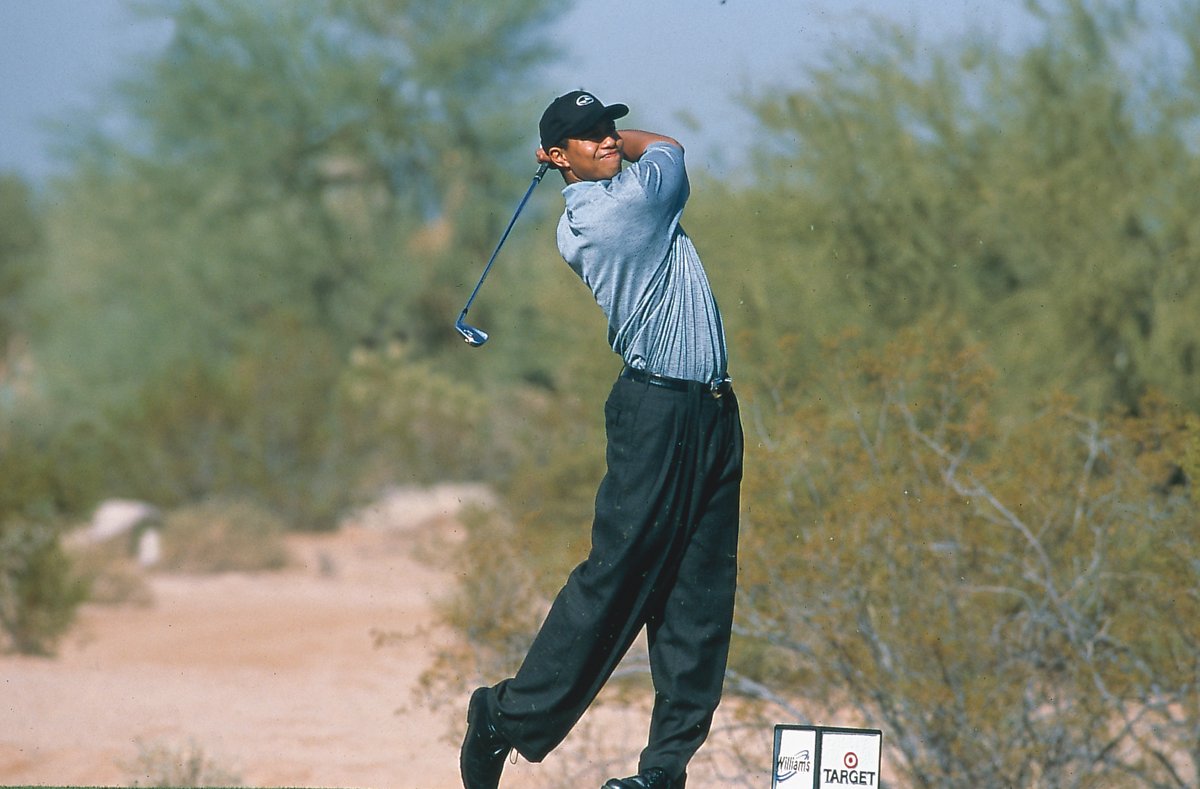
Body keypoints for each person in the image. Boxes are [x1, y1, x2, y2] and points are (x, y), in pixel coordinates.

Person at [460, 90, 744, 789]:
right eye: (586, 138)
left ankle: (662, 772)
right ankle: (504, 716)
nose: (608, 141)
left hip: (711, 410)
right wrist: (624, 146)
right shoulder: (621, 210)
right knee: (618, 577)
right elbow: (671, 147)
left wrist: (594, 146)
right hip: (656, 414)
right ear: (556, 158)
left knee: (699, 594)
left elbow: (642, 150)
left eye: (608, 127)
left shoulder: (611, 184)